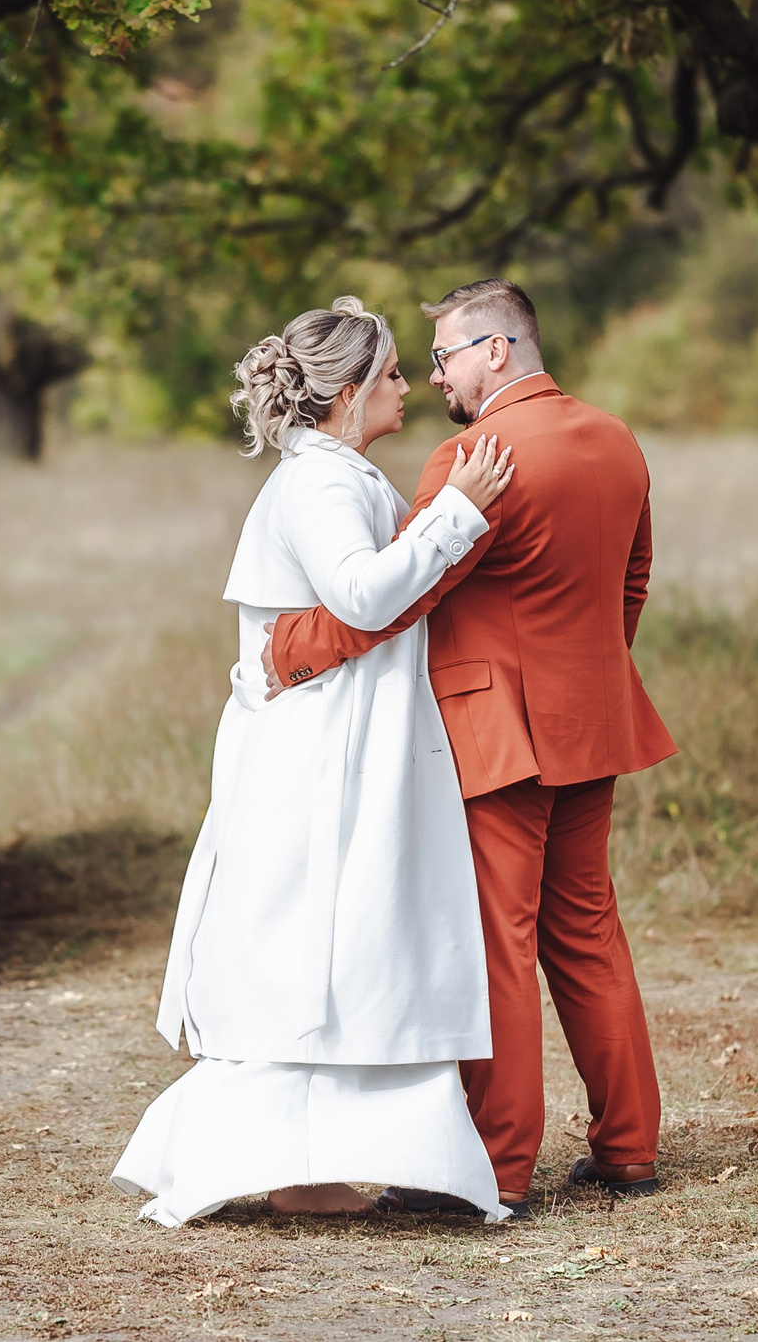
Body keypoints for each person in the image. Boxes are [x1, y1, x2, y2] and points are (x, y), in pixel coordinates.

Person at [265, 278, 677, 1217]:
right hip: (594, 718)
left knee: (500, 944)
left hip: (497, 734)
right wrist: (590, 671)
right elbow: (635, 573)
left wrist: (288, 646)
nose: (437, 375)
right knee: (588, 931)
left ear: (498, 349)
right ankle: (628, 1149)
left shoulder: (470, 455)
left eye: (445, 355)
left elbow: (400, 598)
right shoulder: (616, 438)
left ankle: (496, 1170)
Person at [111, 297, 517, 1226]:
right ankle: (295, 1164)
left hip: (343, 729)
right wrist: (459, 511)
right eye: (392, 376)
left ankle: (314, 1162)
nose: (411, 387)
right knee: (322, 937)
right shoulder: (324, 485)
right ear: (345, 394)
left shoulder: (338, 472)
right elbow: (364, 596)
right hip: (324, 748)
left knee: (346, 938)